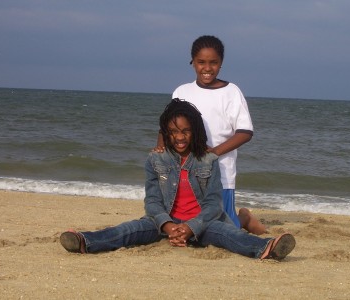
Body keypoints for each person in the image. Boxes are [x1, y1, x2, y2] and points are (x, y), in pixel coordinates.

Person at [60, 99, 295, 260]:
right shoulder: (155, 160)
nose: (180, 137)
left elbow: (214, 205)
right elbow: (152, 202)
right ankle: (84, 241)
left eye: (186, 131)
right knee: (128, 230)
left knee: (230, 235)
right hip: (163, 222)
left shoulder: (208, 160)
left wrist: (190, 228)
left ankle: (267, 248)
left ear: (196, 131)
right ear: (166, 133)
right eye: (173, 132)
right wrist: (170, 226)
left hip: (202, 225)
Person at [156, 35, 266, 234]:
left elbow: (245, 132)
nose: (207, 68)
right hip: (186, 173)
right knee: (188, 225)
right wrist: (161, 149)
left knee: (223, 229)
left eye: (213, 63)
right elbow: (167, 126)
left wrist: (213, 153)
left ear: (221, 64)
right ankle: (241, 219)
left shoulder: (231, 92)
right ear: (193, 63)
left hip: (221, 172)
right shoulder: (182, 91)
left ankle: (244, 218)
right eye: (201, 62)